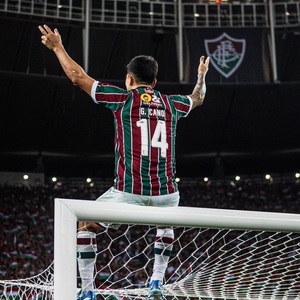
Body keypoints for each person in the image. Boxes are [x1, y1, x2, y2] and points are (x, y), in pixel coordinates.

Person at [38, 24, 210, 300]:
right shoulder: (172, 104)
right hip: (167, 194)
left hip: (129, 193)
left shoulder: (122, 99)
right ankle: (156, 282)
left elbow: (76, 76)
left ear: (129, 79)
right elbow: (198, 98)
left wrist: (57, 46)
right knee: (165, 224)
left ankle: (87, 289)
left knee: (85, 225)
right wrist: (201, 76)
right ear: (154, 82)